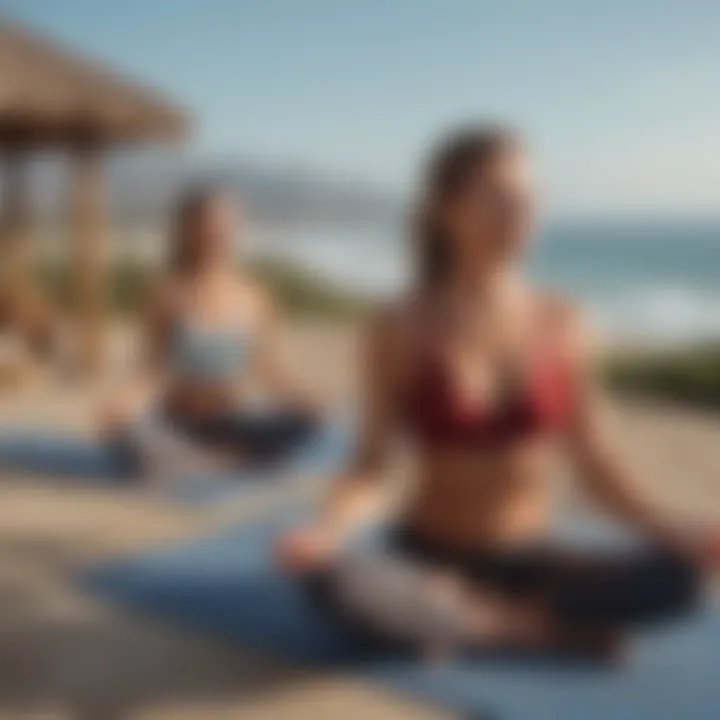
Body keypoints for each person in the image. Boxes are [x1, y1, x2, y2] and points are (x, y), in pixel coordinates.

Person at [277, 125, 717, 658]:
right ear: (445, 210)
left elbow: (597, 465)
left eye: (527, 199)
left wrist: (679, 533)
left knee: (685, 581)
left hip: (530, 561)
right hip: (427, 556)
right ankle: (528, 630)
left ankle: (476, 622)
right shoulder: (399, 324)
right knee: (330, 578)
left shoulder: (563, 320)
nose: (517, 214)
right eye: (495, 198)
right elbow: (371, 467)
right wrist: (327, 531)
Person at [101, 185, 320, 479]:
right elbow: (151, 372)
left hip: (232, 423)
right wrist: (125, 404)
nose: (219, 232)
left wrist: (305, 398)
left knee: (307, 422)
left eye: (227, 223)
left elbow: (270, 371)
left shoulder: (254, 296)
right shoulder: (168, 294)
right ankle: (219, 460)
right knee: (127, 431)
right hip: (179, 423)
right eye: (210, 223)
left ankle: (208, 459)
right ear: (189, 230)